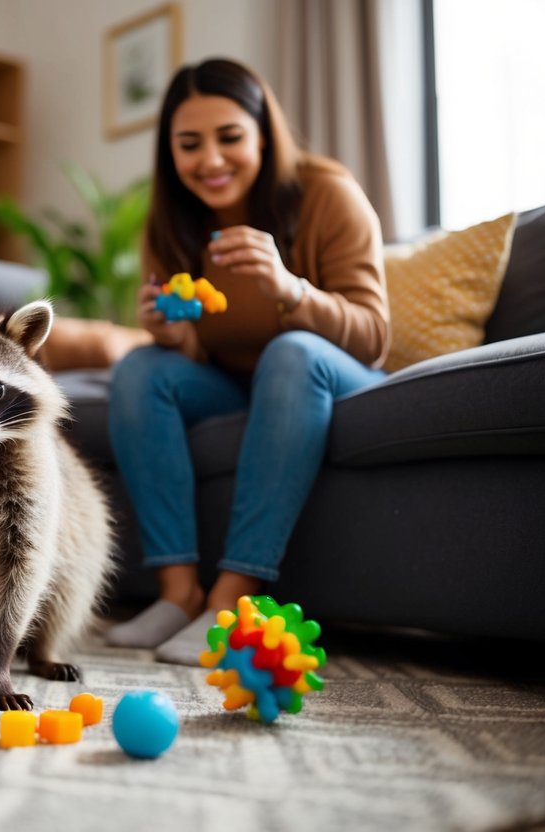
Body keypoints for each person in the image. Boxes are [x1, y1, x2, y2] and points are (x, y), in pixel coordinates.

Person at [105, 58, 390, 664]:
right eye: (190, 144)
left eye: (230, 137)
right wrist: (173, 337)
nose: (210, 160)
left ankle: (234, 602)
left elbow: (373, 337)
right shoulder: (175, 222)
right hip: (239, 383)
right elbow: (205, 347)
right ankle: (178, 594)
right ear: (171, 154)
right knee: (137, 369)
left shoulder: (326, 194)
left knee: (289, 355)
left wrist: (293, 291)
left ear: (264, 134)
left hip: (331, 377)